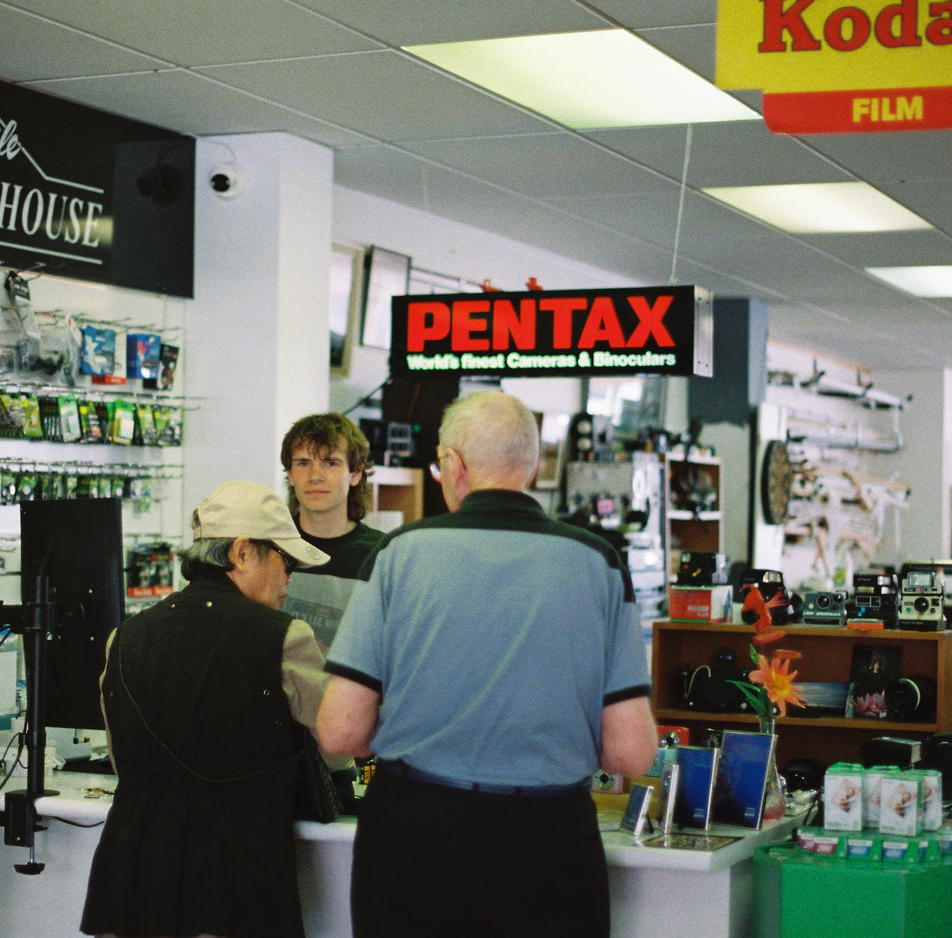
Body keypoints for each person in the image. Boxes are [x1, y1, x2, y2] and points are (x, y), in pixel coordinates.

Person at [316, 389, 658, 937]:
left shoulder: (399, 553)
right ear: (534, 466)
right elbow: (631, 751)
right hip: (549, 844)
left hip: (413, 840)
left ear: (454, 465)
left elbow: (340, 730)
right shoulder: (598, 563)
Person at [80, 480, 331, 938]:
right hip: (236, 874)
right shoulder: (285, 636)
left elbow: (121, 759)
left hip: (134, 873)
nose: (289, 579)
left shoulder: (124, 638)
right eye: (286, 560)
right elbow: (339, 746)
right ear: (242, 552)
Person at [278, 413, 384, 647]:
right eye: (303, 463)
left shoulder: (382, 556)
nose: (315, 476)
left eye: (331, 463)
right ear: (290, 475)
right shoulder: (269, 547)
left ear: (355, 474)